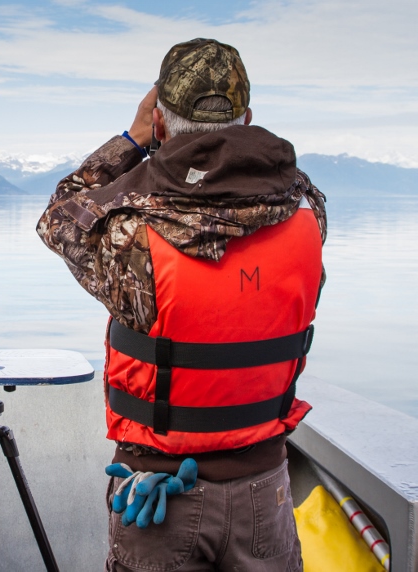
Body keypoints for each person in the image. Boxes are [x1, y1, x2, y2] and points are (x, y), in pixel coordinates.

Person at [37, 38, 326, 571]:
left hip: (158, 498)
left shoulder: (132, 236)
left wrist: (132, 139)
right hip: (266, 493)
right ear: (248, 118)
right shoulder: (310, 216)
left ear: (162, 124)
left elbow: (59, 215)